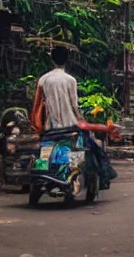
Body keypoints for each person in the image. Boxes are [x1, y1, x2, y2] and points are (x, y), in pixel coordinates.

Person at [30, 47, 118, 189]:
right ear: (67, 60)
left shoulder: (43, 80)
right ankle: (103, 178)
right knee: (94, 148)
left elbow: (36, 106)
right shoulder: (70, 80)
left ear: (52, 59)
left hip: (50, 129)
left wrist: (37, 127)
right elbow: (74, 105)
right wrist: (81, 119)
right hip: (70, 127)